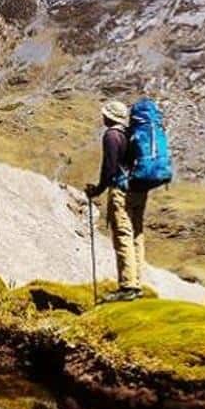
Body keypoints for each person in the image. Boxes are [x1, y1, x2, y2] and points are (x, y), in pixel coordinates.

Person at [84, 99, 148, 303]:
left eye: (104, 114)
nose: (102, 117)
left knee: (123, 234)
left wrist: (98, 189)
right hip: (139, 191)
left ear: (109, 117)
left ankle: (127, 286)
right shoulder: (131, 134)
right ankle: (136, 283)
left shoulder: (112, 135)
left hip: (121, 190)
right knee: (136, 234)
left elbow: (110, 168)